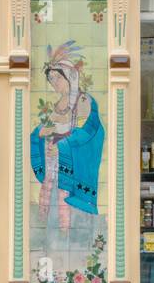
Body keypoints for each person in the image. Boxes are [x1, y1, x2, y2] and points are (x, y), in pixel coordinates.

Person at [31, 41, 104, 230]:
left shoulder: (82, 100)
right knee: (50, 214)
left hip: (71, 169)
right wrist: (40, 134)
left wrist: (62, 144)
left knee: (70, 217)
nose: (54, 83)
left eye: (57, 78)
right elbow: (41, 130)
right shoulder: (56, 106)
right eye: (51, 79)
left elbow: (88, 130)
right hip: (52, 169)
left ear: (70, 76)